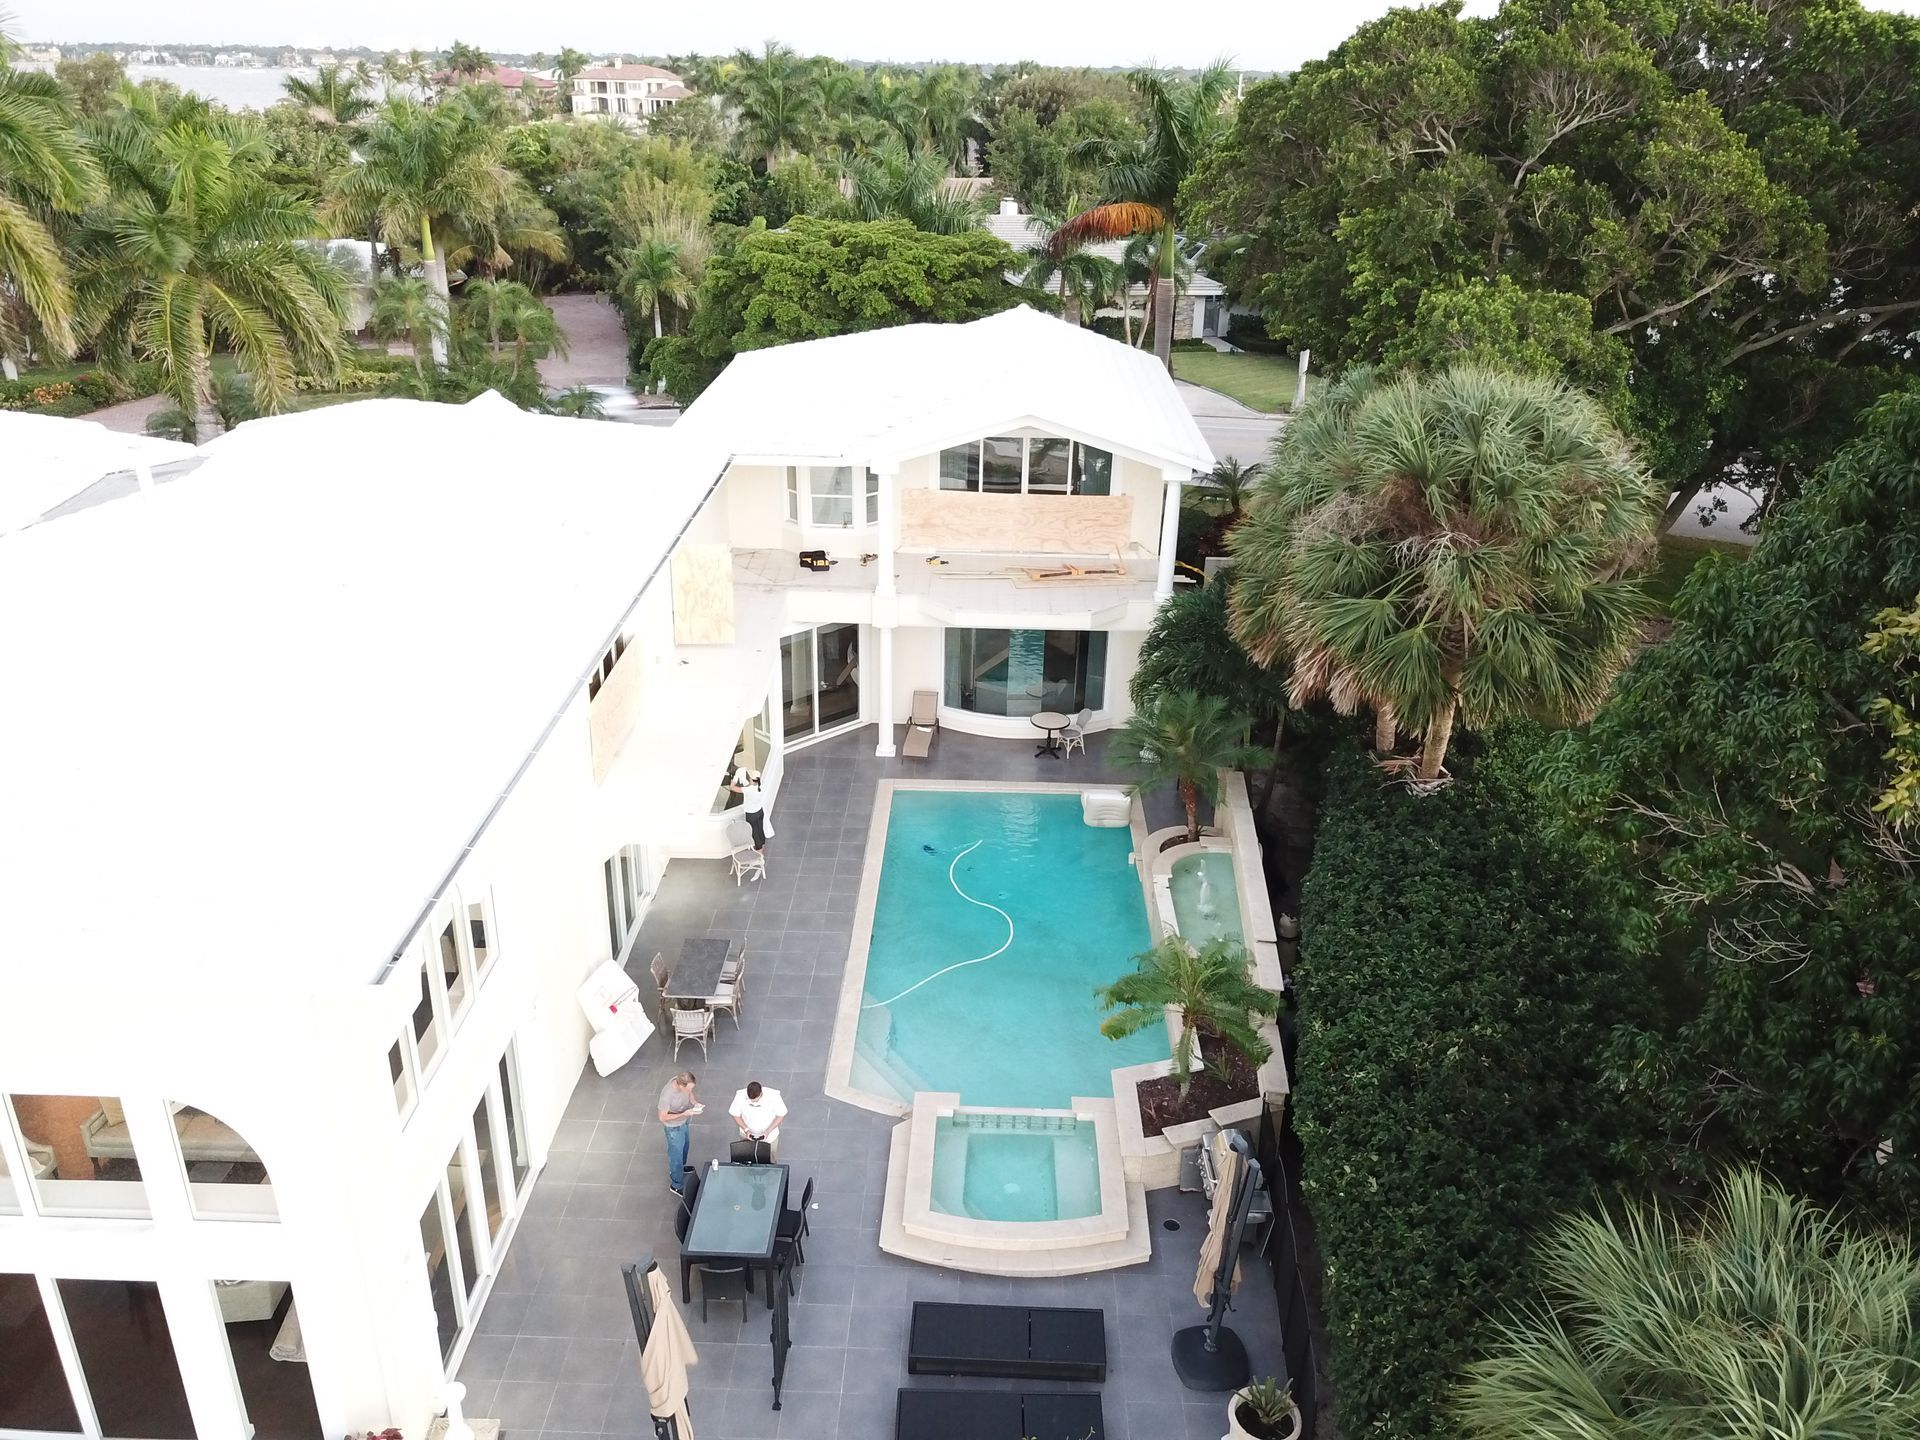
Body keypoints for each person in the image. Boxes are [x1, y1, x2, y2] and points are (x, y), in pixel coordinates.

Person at [658, 1072, 702, 1195]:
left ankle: (681, 1169)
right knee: (675, 1155)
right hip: (673, 1128)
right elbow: (662, 1117)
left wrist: (694, 1102)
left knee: (685, 1146)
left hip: (683, 1121)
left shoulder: (680, 1082)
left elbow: (689, 1093)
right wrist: (684, 1114)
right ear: (681, 1086)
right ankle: (676, 1184)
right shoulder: (667, 1095)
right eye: (689, 1088)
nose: (690, 1090)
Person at [727, 1079, 786, 1160]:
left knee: (771, 1160)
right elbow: (735, 1114)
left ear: (761, 1093)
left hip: (769, 1138)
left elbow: (781, 1115)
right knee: (746, 1159)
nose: (754, 1103)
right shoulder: (740, 1096)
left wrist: (768, 1131)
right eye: (751, 1101)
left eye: (756, 1101)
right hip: (747, 1136)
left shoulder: (774, 1096)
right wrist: (746, 1130)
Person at [728, 767, 771, 852]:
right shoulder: (759, 786)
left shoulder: (748, 789)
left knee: (754, 832)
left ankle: (759, 850)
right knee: (760, 828)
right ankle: (762, 844)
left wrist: (735, 778)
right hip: (759, 811)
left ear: (751, 779)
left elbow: (732, 787)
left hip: (751, 814)